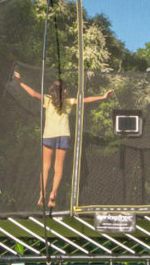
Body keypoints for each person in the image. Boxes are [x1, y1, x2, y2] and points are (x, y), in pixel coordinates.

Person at [14, 71, 114, 210]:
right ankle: (53, 194)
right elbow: (85, 100)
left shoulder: (48, 100)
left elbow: (32, 93)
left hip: (49, 135)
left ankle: (42, 194)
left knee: (45, 166)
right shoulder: (68, 102)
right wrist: (102, 97)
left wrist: (20, 82)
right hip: (63, 136)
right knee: (58, 167)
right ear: (64, 90)